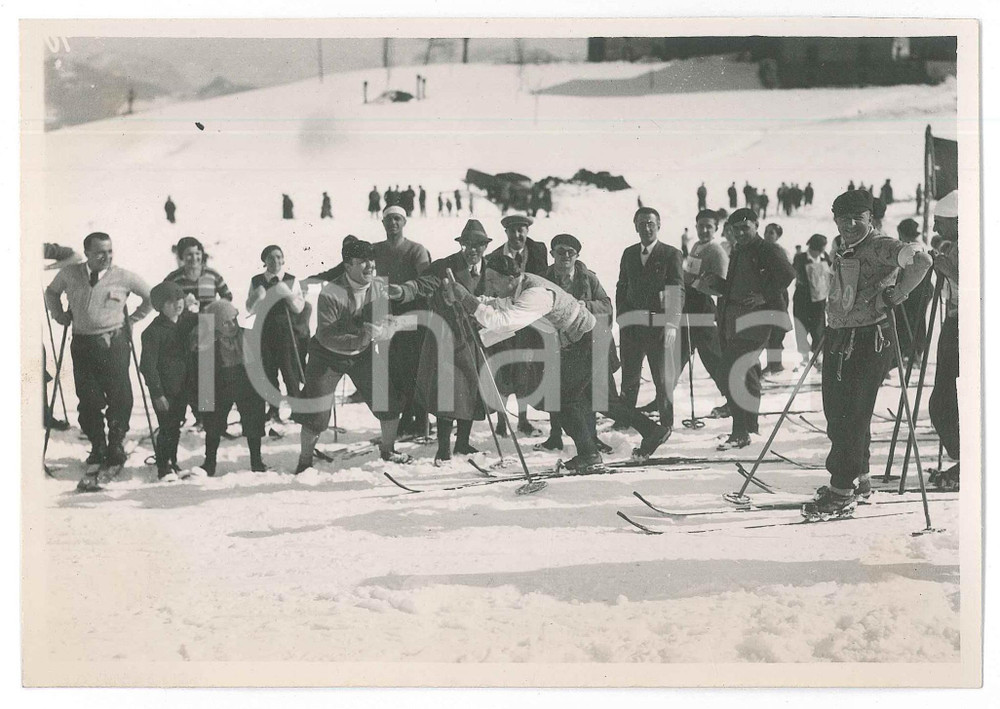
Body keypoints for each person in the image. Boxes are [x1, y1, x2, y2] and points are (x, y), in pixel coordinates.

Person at [447, 253, 671, 472]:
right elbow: (500, 305)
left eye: (493, 280)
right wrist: (468, 300)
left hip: (589, 340)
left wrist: (467, 299)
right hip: (589, 338)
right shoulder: (520, 286)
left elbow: (503, 322)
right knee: (603, 401)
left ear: (510, 278)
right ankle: (652, 431)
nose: (489, 285)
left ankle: (588, 455)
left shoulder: (535, 294)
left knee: (562, 399)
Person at [804, 189, 932, 517]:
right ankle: (859, 479)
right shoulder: (845, 246)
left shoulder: (878, 244)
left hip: (868, 339)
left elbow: (920, 259)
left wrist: (900, 292)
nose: (848, 224)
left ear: (870, 219)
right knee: (840, 413)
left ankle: (841, 490)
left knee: (850, 415)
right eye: (842, 218)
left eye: (856, 219)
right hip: (841, 336)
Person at [44, 232, 152, 490]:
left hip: (114, 344)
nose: (107, 256)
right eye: (100, 252)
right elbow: (51, 292)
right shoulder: (70, 273)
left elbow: (151, 297)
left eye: (110, 251)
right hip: (82, 344)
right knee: (89, 398)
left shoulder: (123, 276)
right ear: (88, 253)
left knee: (119, 396)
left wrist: (133, 320)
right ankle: (97, 445)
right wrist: (59, 315)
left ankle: (116, 443)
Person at [292, 239, 411, 472]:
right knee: (316, 415)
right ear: (347, 266)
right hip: (327, 356)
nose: (370, 266)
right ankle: (305, 461)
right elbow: (327, 336)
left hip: (362, 354)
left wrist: (388, 327)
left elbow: (383, 320)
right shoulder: (330, 293)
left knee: (387, 401)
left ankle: (388, 450)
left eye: (372, 260)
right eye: (363, 262)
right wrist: (364, 335)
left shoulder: (378, 286)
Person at [388, 219, 492, 461]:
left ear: (485, 247)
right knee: (449, 391)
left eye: (478, 245)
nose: (473, 250)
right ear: (461, 245)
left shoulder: (489, 269)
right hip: (447, 337)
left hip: (477, 338)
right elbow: (424, 284)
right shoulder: (445, 266)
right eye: (468, 245)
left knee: (472, 390)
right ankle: (444, 448)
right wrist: (404, 291)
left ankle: (463, 443)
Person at [714, 209, 795, 450]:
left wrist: (763, 296)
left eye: (745, 228)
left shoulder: (766, 249)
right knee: (746, 372)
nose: (740, 233)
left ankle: (739, 432)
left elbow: (788, 275)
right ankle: (750, 426)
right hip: (735, 318)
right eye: (735, 229)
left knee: (731, 370)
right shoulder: (739, 249)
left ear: (756, 225)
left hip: (757, 320)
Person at [536, 233, 615, 454]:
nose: (566, 256)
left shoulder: (588, 279)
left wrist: (585, 306)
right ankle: (555, 436)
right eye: (561, 251)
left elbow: (606, 306)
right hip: (553, 343)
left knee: (587, 393)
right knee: (554, 390)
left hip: (585, 344)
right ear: (552, 254)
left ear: (577, 255)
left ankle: (592, 437)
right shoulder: (543, 280)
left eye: (571, 252)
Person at [616, 207, 685, 431]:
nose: (646, 228)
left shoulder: (671, 253)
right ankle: (626, 420)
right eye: (642, 223)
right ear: (635, 226)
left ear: (659, 225)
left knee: (663, 378)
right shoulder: (629, 253)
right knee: (630, 377)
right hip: (633, 328)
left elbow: (676, 289)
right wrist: (622, 317)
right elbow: (622, 287)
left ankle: (666, 422)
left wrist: (672, 323)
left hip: (659, 327)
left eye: (650, 223)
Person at [488, 213, 549, 436]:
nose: (517, 235)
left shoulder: (537, 251)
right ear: (506, 233)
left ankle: (523, 420)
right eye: (512, 231)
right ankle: (502, 421)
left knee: (524, 369)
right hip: (505, 320)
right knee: (503, 370)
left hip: (530, 322)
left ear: (527, 231)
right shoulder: (494, 256)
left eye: (521, 230)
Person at [375, 205, 433, 437]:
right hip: (386, 314)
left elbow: (427, 280)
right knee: (393, 369)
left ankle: (421, 419)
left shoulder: (415, 250)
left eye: (397, 219)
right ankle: (404, 417)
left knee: (414, 368)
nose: (393, 224)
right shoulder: (376, 249)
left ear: (404, 222)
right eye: (389, 219)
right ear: (383, 223)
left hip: (413, 314)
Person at [195, 300, 268, 476]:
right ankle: (209, 462)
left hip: (247, 382)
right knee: (213, 424)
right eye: (226, 322)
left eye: (234, 319)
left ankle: (256, 462)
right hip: (220, 384)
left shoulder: (248, 335)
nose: (232, 325)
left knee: (253, 422)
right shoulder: (207, 343)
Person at [140, 281, 198, 480]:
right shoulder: (152, 332)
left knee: (176, 425)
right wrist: (157, 394)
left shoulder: (186, 321)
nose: (177, 304)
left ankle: (172, 461)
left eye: (180, 298)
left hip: (183, 387)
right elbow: (147, 367)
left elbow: (206, 319)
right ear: (159, 306)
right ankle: (163, 467)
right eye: (171, 301)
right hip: (165, 390)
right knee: (166, 427)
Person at [247, 245, 309, 423]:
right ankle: (273, 409)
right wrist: (256, 297)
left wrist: (288, 295)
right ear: (264, 261)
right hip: (264, 330)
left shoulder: (291, 279)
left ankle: (297, 410)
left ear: (283, 259)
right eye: (271, 258)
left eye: (278, 257)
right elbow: (249, 308)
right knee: (268, 372)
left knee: (290, 371)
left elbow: (299, 307)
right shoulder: (257, 280)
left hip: (286, 331)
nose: (275, 261)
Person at [679, 210, 730, 419]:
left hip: (704, 308)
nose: (704, 230)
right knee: (677, 354)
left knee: (713, 358)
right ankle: (662, 398)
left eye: (709, 226)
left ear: (716, 228)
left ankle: (732, 400)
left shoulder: (716, 252)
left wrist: (694, 283)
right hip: (688, 306)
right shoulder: (696, 246)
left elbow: (721, 288)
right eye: (701, 226)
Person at [927, 190, 960, 490]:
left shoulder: (975, 243)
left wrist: (949, 269)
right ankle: (966, 458)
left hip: (967, 329)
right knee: (942, 402)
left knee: (944, 403)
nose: (936, 230)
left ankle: (969, 461)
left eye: (940, 222)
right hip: (953, 326)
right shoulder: (956, 245)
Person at [791, 233, 832, 370]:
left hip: (819, 299)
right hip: (803, 299)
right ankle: (804, 357)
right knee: (801, 327)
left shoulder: (825, 257)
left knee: (818, 327)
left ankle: (817, 356)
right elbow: (795, 273)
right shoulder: (801, 258)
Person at [895, 218, 932, 361]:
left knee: (912, 319)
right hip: (921, 288)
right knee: (915, 319)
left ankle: (914, 351)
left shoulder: (914, 247)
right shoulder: (920, 243)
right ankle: (913, 351)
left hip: (918, 288)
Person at [164, 236, 233, 312]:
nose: (194, 258)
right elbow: (161, 299)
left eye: (197, 253)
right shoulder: (174, 278)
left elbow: (227, 296)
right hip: (183, 321)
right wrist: (181, 303)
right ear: (181, 256)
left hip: (208, 321)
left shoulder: (212, 275)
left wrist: (215, 307)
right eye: (189, 254)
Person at [761, 222, 792, 376]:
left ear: (777, 236)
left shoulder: (780, 251)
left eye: (771, 233)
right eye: (766, 232)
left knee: (776, 331)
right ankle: (772, 364)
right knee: (769, 331)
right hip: (766, 295)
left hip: (777, 295)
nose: (767, 235)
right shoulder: (761, 249)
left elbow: (787, 274)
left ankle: (775, 365)